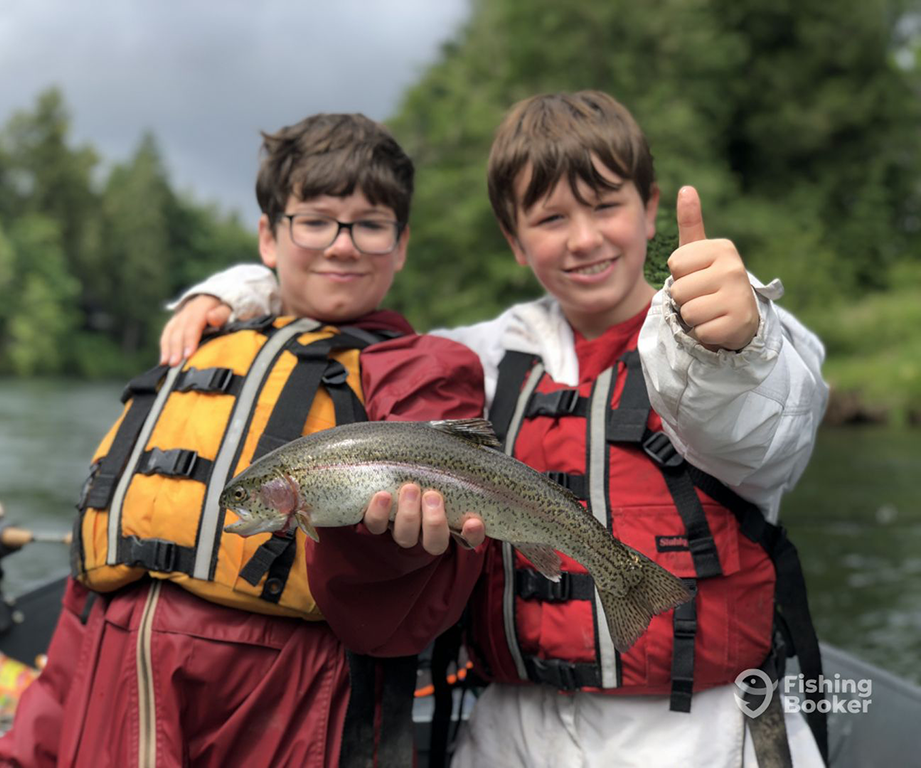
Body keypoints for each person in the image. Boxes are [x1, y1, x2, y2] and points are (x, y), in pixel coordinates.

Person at [162, 90, 830, 767]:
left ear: (651, 208)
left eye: (605, 206)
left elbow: (767, 427)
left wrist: (737, 341)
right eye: (549, 218)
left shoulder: (729, 340)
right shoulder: (481, 352)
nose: (583, 238)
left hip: (703, 728)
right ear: (514, 241)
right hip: (510, 726)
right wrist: (242, 289)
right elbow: (345, 308)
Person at [0, 112, 487, 768]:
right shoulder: (204, 345)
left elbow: (404, 617)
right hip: (106, 704)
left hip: (281, 718)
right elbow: (88, 594)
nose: (342, 245)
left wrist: (393, 549)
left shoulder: (425, 370)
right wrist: (26, 754)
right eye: (314, 221)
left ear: (400, 246)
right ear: (269, 238)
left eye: (369, 225)